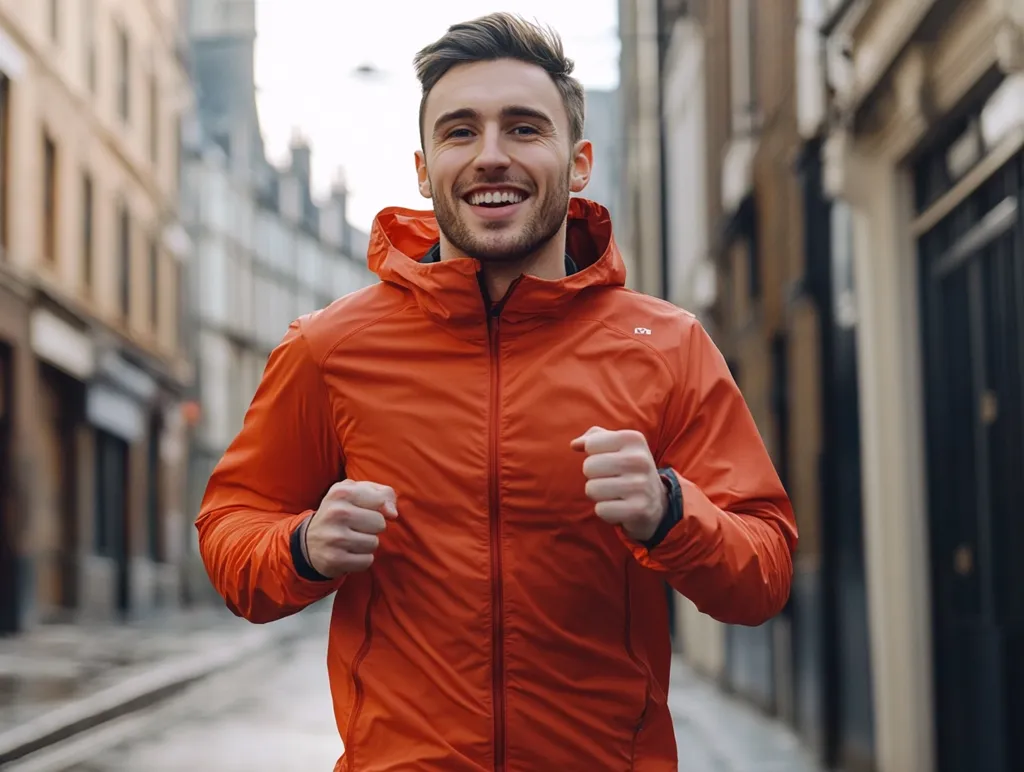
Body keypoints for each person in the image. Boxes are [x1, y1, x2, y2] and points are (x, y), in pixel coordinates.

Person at [196, 12, 798, 771]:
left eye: (523, 129)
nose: (490, 157)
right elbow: (229, 532)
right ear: (423, 169)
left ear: (577, 162)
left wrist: (670, 512)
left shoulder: (668, 346)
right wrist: (302, 546)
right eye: (459, 132)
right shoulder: (329, 347)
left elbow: (765, 573)